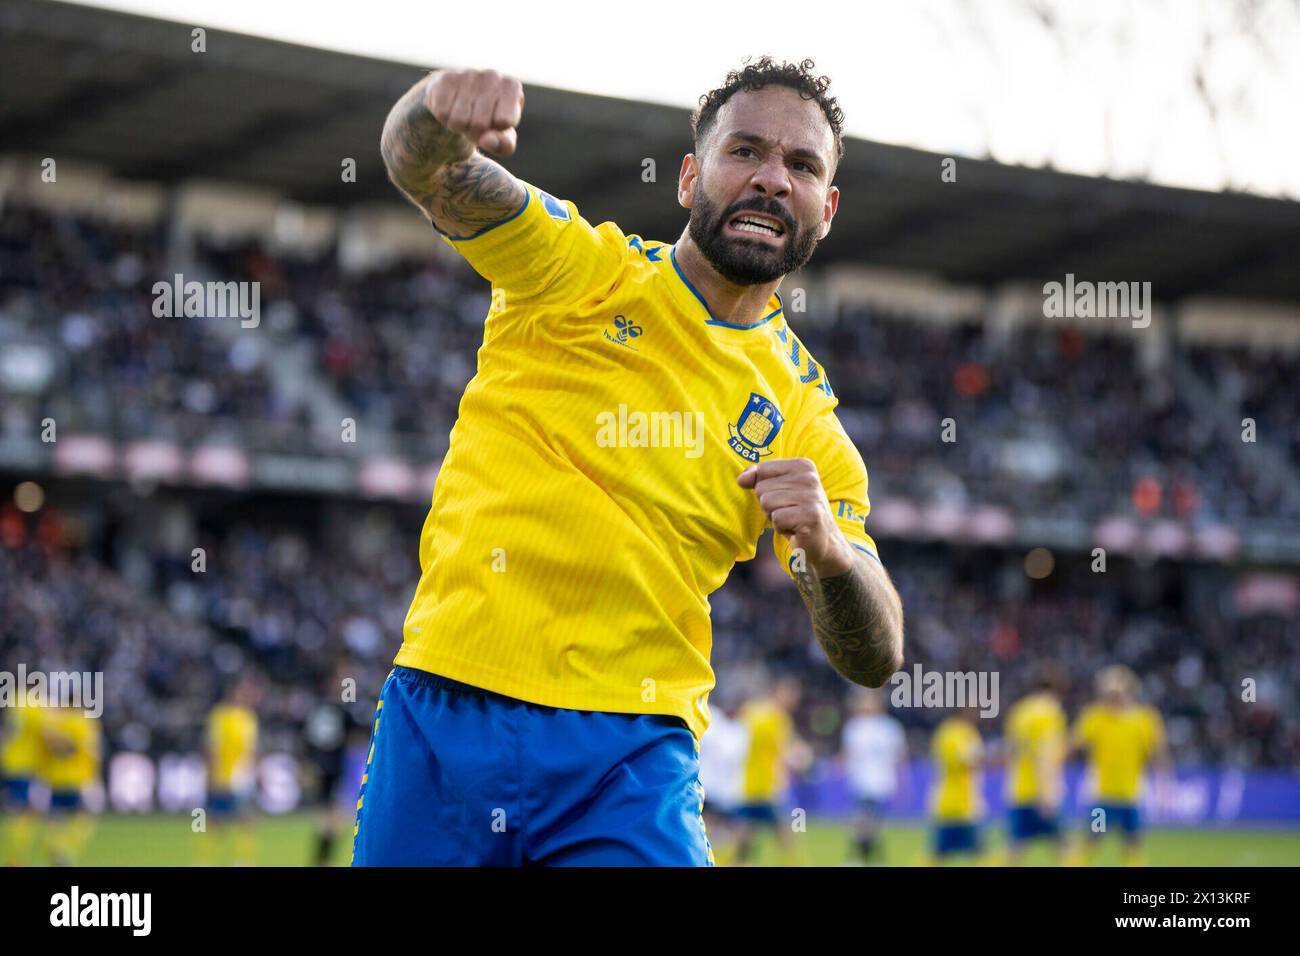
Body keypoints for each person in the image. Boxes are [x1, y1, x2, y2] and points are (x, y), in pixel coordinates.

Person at [352, 56, 904, 866]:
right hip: (447, 710)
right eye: (744, 151)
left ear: (828, 208)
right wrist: (435, 110)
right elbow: (421, 166)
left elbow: (877, 653)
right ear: (690, 177)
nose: (772, 180)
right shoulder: (578, 269)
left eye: (802, 165)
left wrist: (826, 550)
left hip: (630, 761)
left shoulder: (806, 419)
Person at [1071, 665, 1171, 866]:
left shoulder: (1145, 720)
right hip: (1102, 799)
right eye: (1107, 693)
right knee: (1091, 842)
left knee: (1132, 847)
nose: (1111, 698)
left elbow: (1159, 756)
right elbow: (1072, 745)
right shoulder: (1095, 717)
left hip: (1130, 798)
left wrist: (1164, 788)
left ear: (1129, 691)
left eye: (1115, 692)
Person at [732, 678, 810, 866]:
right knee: (783, 832)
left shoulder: (750, 711)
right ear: (778, 692)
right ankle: (792, 863)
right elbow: (785, 752)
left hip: (749, 785)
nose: (793, 700)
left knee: (747, 832)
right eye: (790, 695)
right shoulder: (775, 718)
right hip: (765, 786)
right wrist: (800, 758)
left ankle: (740, 862)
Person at [1003, 665, 1068, 864]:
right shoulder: (1050, 713)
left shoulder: (1019, 711)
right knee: (1063, 849)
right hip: (1041, 792)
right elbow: (1045, 755)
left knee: (1016, 850)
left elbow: (1011, 752)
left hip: (1018, 790)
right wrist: (1046, 793)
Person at [841, 687, 907, 864]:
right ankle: (869, 859)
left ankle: (860, 858)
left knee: (869, 823)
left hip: (882, 782)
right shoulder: (854, 726)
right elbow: (849, 755)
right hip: (861, 781)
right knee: (864, 822)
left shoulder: (890, 727)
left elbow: (899, 757)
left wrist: (902, 783)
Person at [200, 676, 260, 866]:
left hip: (242, 776)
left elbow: (251, 749)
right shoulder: (220, 715)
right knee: (216, 821)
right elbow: (212, 747)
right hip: (222, 775)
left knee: (246, 819)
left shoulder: (249, 718)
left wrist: (255, 772)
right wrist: (212, 774)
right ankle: (205, 859)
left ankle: (241, 860)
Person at [928, 707, 984, 865]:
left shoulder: (968, 732)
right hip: (953, 804)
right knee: (979, 853)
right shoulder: (952, 733)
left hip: (965, 801)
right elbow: (966, 761)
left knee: (940, 853)